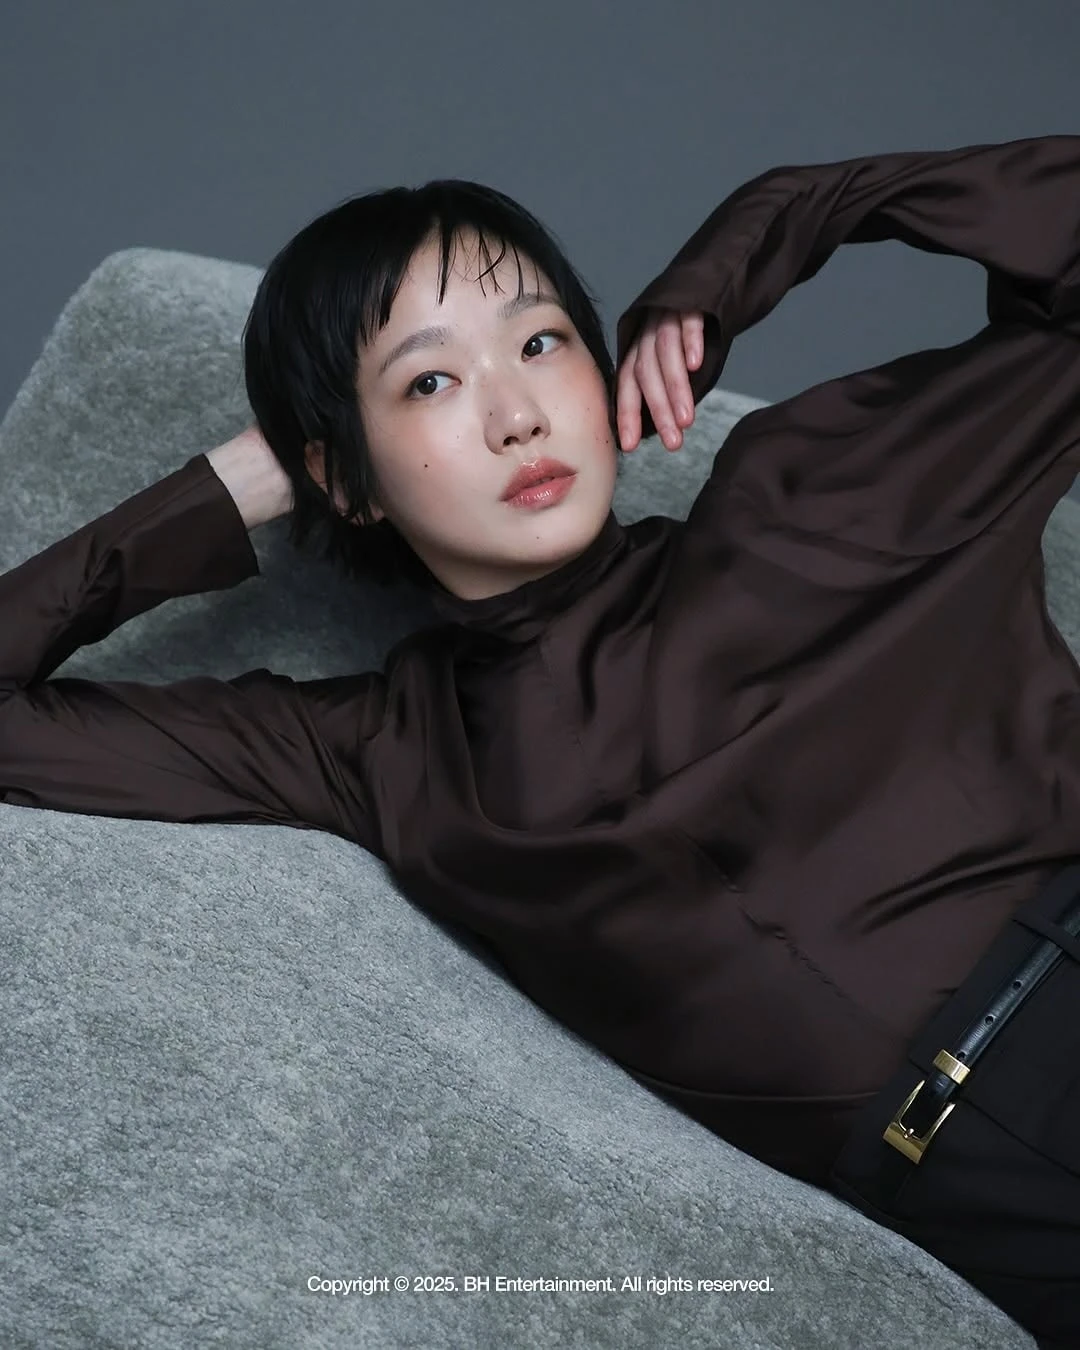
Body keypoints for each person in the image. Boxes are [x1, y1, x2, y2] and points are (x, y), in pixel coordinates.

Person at [2, 135, 1079, 1344]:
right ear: (344, 478)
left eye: (540, 342)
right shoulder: (388, 752)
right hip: (992, 1215)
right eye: (429, 383)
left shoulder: (822, 503)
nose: (516, 416)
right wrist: (225, 489)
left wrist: (741, 255)